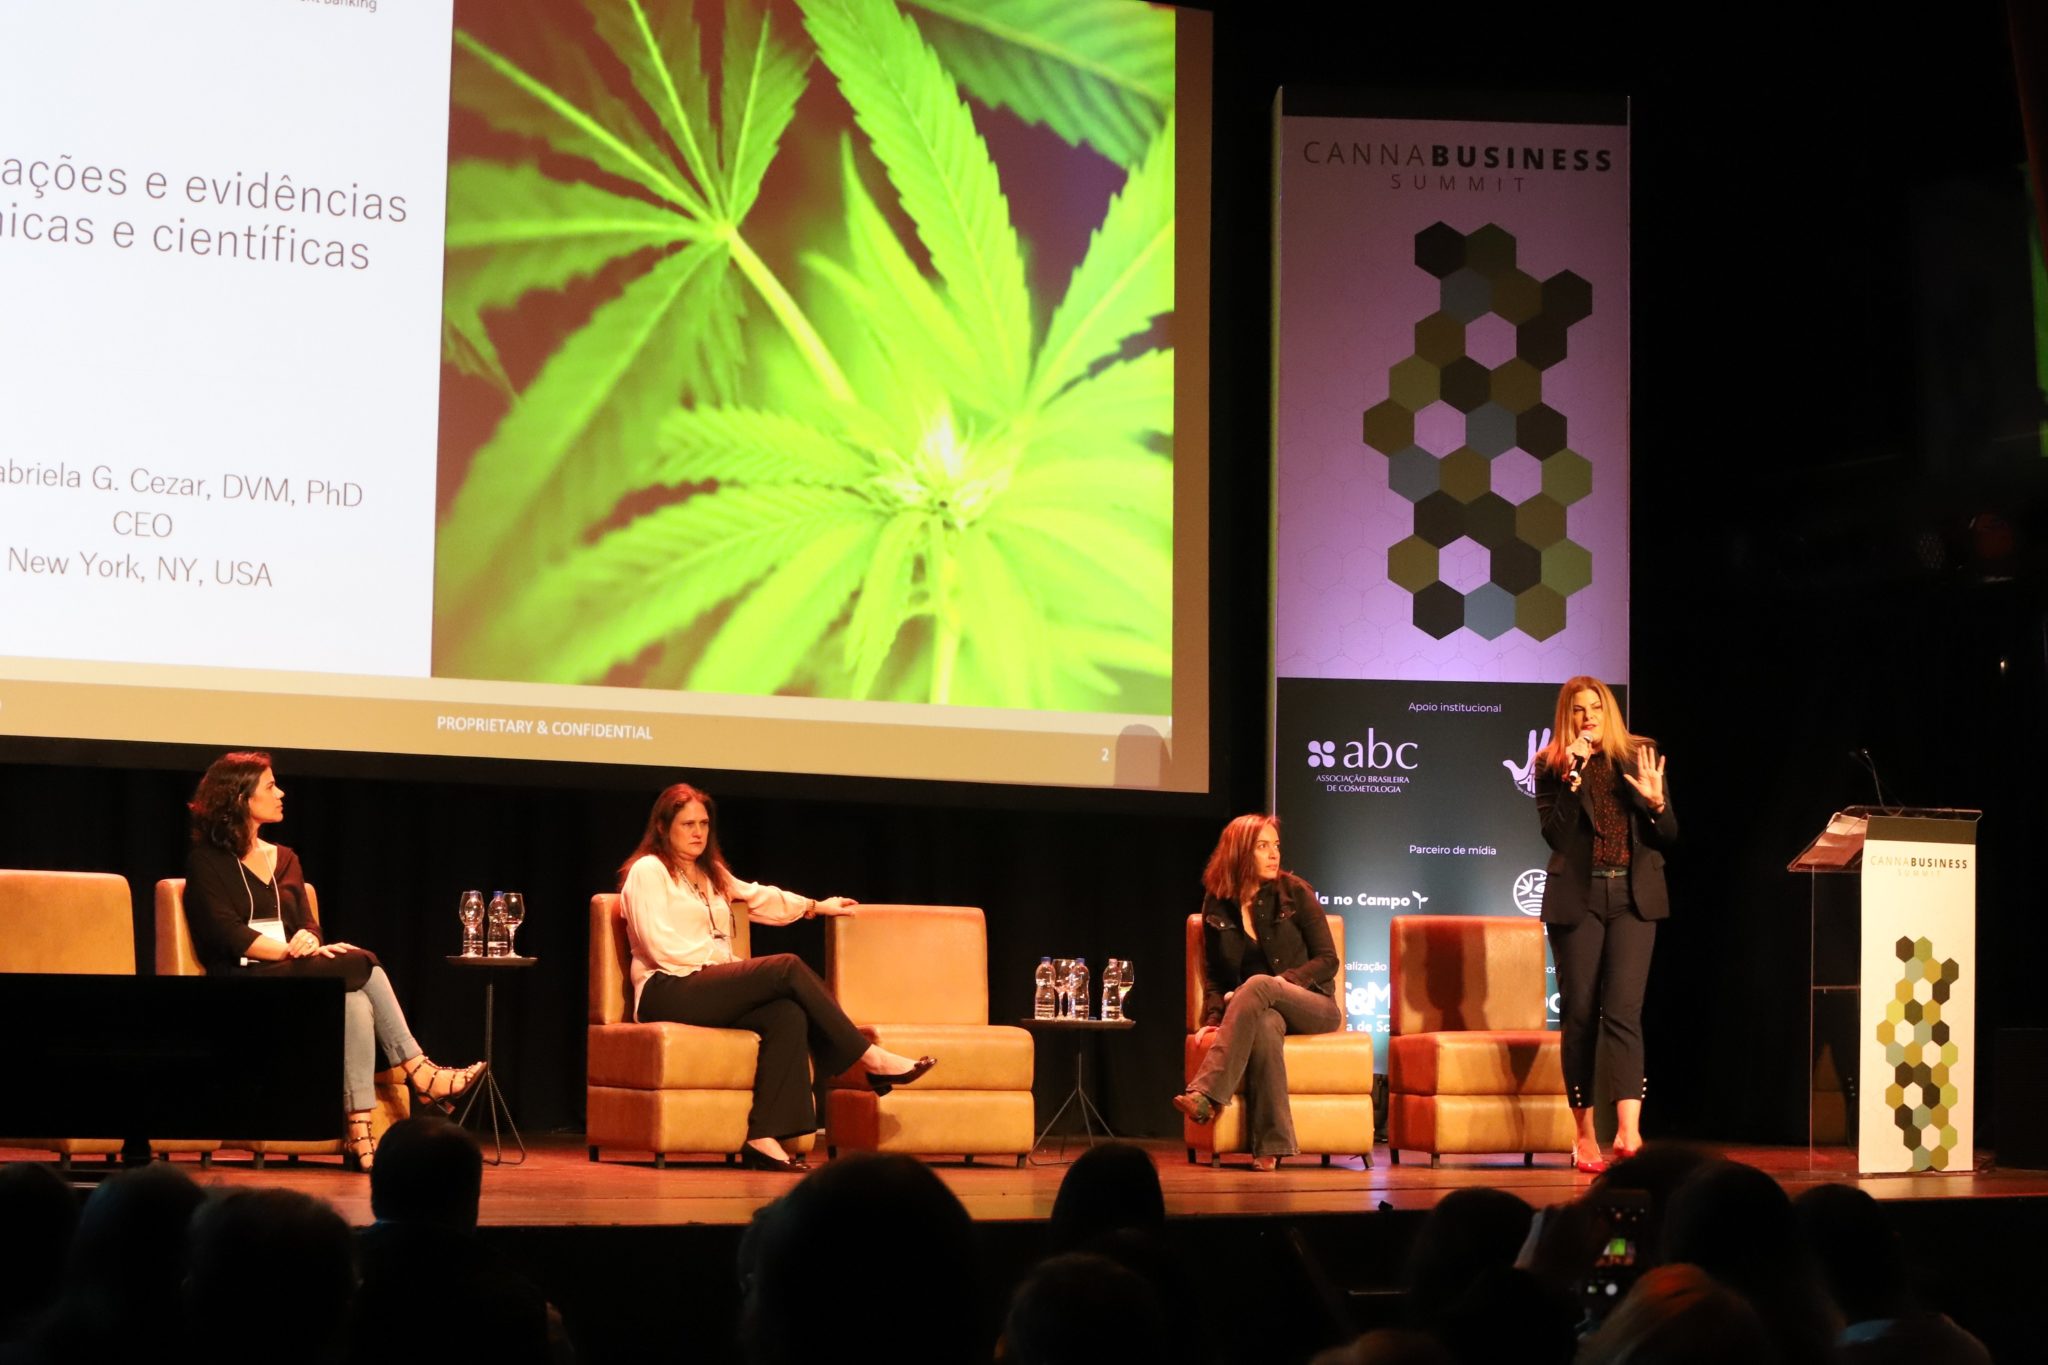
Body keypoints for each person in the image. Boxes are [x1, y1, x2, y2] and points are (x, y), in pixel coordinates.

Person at [183, 751, 483, 1171]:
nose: (281, 793)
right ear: (240, 798)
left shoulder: (284, 858)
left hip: (290, 976)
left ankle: (360, 1129)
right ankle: (420, 1070)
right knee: (361, 962)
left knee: (354, 1000)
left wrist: (309, 937)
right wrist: (289, 950)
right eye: (270, 786)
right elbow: (225, 933)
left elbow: (306, 923)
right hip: (240, 983)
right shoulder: (206, 862)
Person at [618, 782, 935, 1172]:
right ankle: (867, 1057)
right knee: (786, 967)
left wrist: (815, 906)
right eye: (688, 824)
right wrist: (723, 967)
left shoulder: (709, 872)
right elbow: (658, 945)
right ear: (663, 827)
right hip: (666, 987)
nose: (698, 832)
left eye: (704, 823)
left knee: (786, 1013)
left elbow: (758, 897)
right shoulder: (648, 871)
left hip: (703, 983)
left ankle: (764, 1136)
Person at [1533, 677, 1675, 1172]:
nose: (1588, 716)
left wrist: (1657, 804)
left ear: (1609, 711)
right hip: (1580, 898)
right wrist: (1573, 775)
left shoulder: (1639, 755)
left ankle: (1630, 1132)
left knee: (1623, 1013)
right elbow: (1555, 835)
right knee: (1578, 1015)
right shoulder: (1551, 764)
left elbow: (1668, 833)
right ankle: (1584, 1136)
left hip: (1634, 898)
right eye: (1578, 710)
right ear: (1567, 716)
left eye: (1596, 707)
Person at [1172, 813, 1340, 1170]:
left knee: (1260, 984)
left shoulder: (1295, 892)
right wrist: (1215, 1017)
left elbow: (1328, 960)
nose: (1274, 854)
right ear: (1239, 852)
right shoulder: (1217, 902)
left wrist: (1281, 984)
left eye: (1275, 845)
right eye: (1262, 846)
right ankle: (1271, 1147)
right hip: (1259, 1011)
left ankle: (1205, 1094)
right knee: (1263, 1026)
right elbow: (1215, 977)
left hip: (1314, 1005)